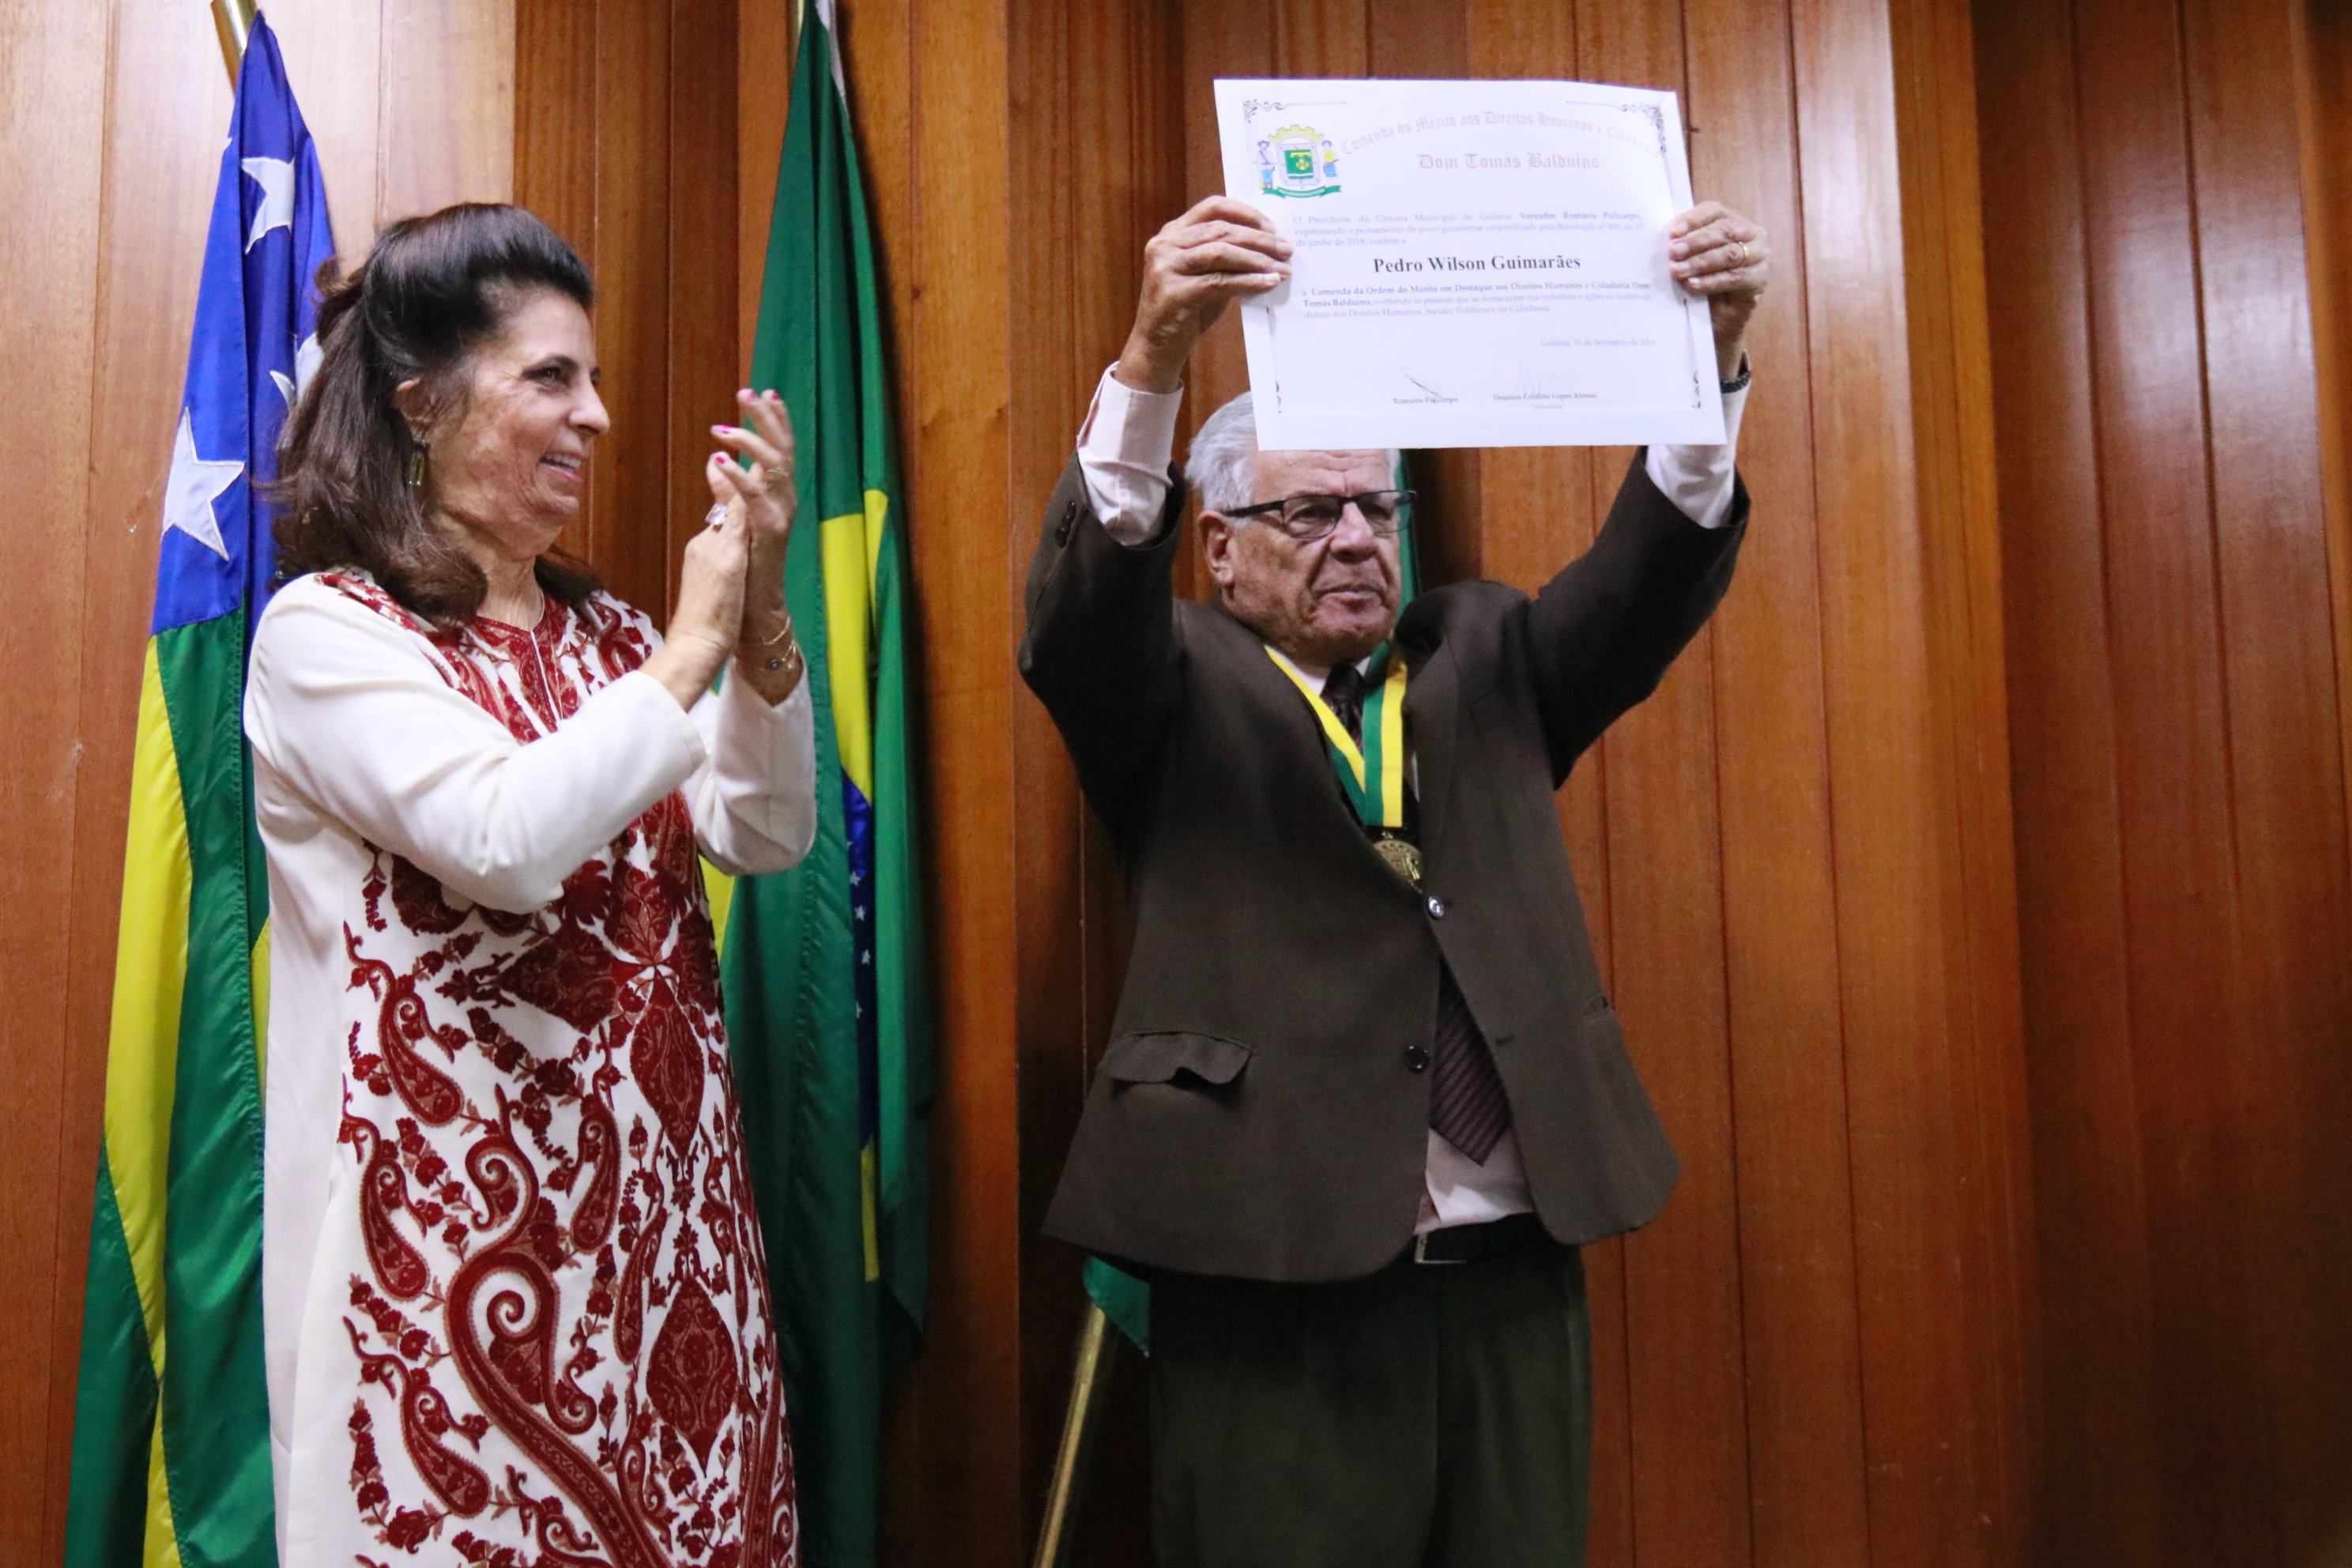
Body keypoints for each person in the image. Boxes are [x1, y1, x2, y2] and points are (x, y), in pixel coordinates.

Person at [1020, 194, 1770, 1567]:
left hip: (1513, 1273)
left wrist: (1705, 361)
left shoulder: (1486, 654)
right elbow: (1084, 613)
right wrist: (1153, 358)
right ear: (1220, 548)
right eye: (1310, 511)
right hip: (1275, 1271)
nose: (1359, 537)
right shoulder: (1169, 683)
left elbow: (1649, 576)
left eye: (1377, 505)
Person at [247, 202, 814, 1566]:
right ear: (423, 405)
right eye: (551, 377)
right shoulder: (330, 633)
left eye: (594, 377)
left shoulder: (613, 635)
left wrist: (760, 626)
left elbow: (764, 833)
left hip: (668, 1256)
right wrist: (691, 651)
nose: (596, 416)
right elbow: (502, 839)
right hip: (449, 1271)